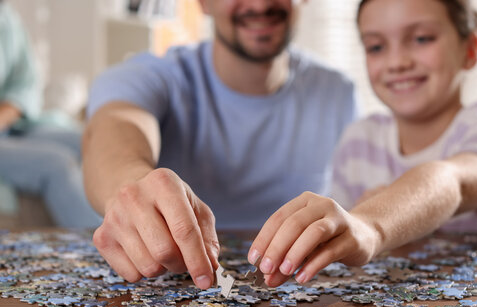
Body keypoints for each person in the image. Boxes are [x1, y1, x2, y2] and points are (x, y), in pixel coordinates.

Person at [248, 0, 477, 287]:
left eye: (422, 39)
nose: (397, 62)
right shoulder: (358, 141)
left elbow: (451, 181)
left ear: (470, 49)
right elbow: (344, 251)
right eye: (376, 47)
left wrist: (370, 225)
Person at [83, 0, 358, 288]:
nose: (260, 4)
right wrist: (129, 184)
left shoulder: (340, 93)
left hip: (299, 293)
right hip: (170, 292)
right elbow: (113, 130)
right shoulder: (152, 76)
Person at [0, 1, 102, 228]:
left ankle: (133, 227)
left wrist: (9, 111)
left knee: (92, 142)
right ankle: (101, 244)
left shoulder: (7, 18)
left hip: (15, 124)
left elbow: (26, 82)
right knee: (57, 163)